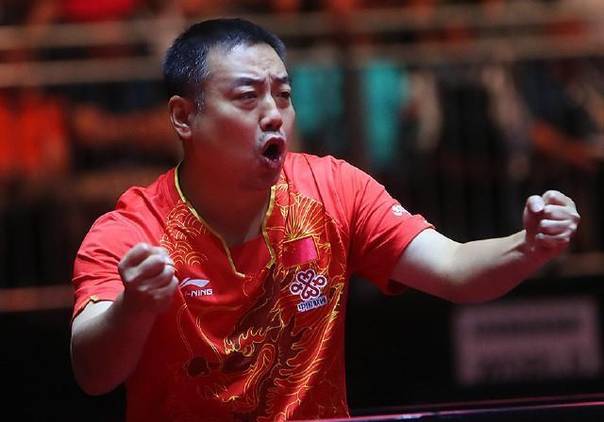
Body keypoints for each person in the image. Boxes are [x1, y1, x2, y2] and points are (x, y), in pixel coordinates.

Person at [69, 18, 581, 422]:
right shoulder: (132, 229)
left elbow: (455, 268)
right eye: (247, 97)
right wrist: (134, 308)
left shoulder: (334, 189)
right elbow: (92, 373)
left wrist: (528, 245)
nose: (274, 113)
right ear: (185, 117)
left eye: (283, 95)